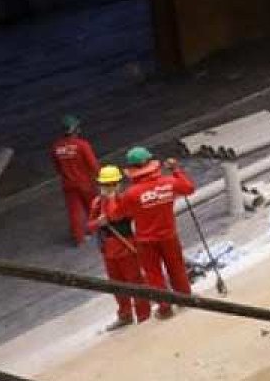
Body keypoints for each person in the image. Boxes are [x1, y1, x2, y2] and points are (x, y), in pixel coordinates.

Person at [116, 146, 196, 319]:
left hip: (145, 240)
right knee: (176, 268)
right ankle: (185, 299)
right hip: (169, 235)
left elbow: (118, 214)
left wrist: (112, 197)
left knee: (154, 275)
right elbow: (189, 188)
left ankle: (165, 306)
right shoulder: (169, 183)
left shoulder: (131, 194)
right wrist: (176, 170)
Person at [89, 164, 152, 330]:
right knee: (116, 285)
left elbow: (124, 215)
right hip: (109, 251)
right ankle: (125, 315)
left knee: (136, 282)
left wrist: (110, 203)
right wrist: (98, 222)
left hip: (127, 247)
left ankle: (143, 314)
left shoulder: (126, 199)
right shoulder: (97, 203)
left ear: (118, 184)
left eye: (110, 185)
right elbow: (90, 225)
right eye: (104, 185)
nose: (106, 188)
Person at [50, 115, 98, 246]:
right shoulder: (82, 145)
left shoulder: (56, 147)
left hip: (68, 184)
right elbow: (93, 164)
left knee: (74, 211)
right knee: (92, 207)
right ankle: (95, 230)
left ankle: (78, 238)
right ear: (76, 129)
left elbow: (57, 167)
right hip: (85, 182)